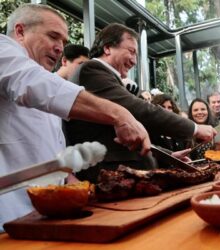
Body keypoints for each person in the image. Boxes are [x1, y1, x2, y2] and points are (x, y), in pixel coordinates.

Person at [0, 4, 150, 231]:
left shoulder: (41, 77)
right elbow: (31, 84)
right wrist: (119, 114)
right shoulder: (4, 50)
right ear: (20, 32)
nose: (60, 48)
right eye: (53, 36)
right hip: (8, 216)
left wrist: (72, 182)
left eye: (63, 41)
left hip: (44, 215)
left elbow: (45, 148)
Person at [65, 23, 216, 182]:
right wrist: (195, 128)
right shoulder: (92, 70)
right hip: (110, 177)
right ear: (108, 48)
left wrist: (168, 155)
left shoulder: (106, 76)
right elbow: (139, 110)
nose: (134, 61)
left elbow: (130, 131)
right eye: (131, 52)